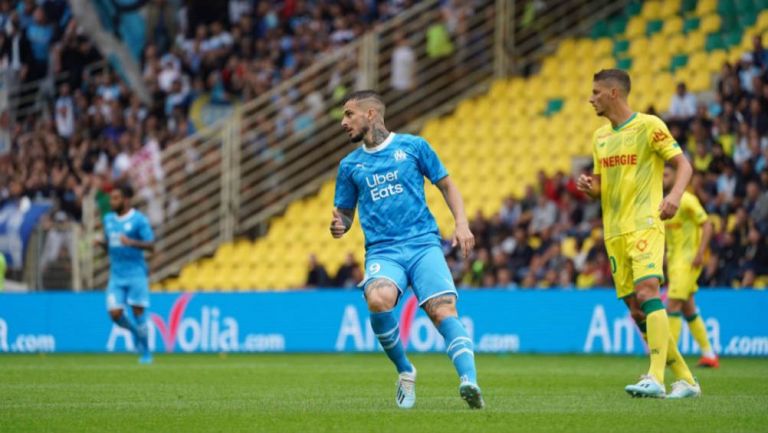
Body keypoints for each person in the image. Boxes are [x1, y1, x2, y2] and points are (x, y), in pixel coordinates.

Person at [331, 90, 483, 409]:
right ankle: (405, 370)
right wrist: (340, 225)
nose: (343, 122)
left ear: (371, 114)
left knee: (442, 309)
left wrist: (462, 223)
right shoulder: (349, 166)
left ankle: (469, 381)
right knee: (377, 298)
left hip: (423, 243)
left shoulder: (413, 147)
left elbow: (446, 185)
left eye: (349, 114)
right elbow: (345, 213)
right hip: (383, 251)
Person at [577, 69, 700, 399]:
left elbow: (684, 165)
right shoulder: (600, 137)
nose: (591, 98)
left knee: (648, 292)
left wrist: (673, 196)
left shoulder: (649, 126)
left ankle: (656, 378)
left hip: (645, 223)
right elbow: (603, 185)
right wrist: (591, 187)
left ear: (614, 93)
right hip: (614, 232)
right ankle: (687, 380)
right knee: (636, 309)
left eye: (596, 92)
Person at [662, 166, 718, 368]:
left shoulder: (687, 200)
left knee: (673, 306)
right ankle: (709, 354)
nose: (662, 178)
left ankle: (669, 356)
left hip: (688, 261)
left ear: (676, 177)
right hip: (674, 262)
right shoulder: (665, 204)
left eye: (666, 175)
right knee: (688, 308)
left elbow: (708, 224)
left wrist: (701, 253)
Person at [99, 184, 155, 364]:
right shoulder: (108, 219)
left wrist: (130, 242)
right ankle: (136, 333)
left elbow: (151, 245)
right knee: (114, 313)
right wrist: (101, 244)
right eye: (111, 198)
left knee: (138, 313)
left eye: (115, 198)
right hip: (116, 274)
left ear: (125, 200)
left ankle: (146, 353)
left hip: (136, 273)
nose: (111, 202)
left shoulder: (139, 220)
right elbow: (110, 246)